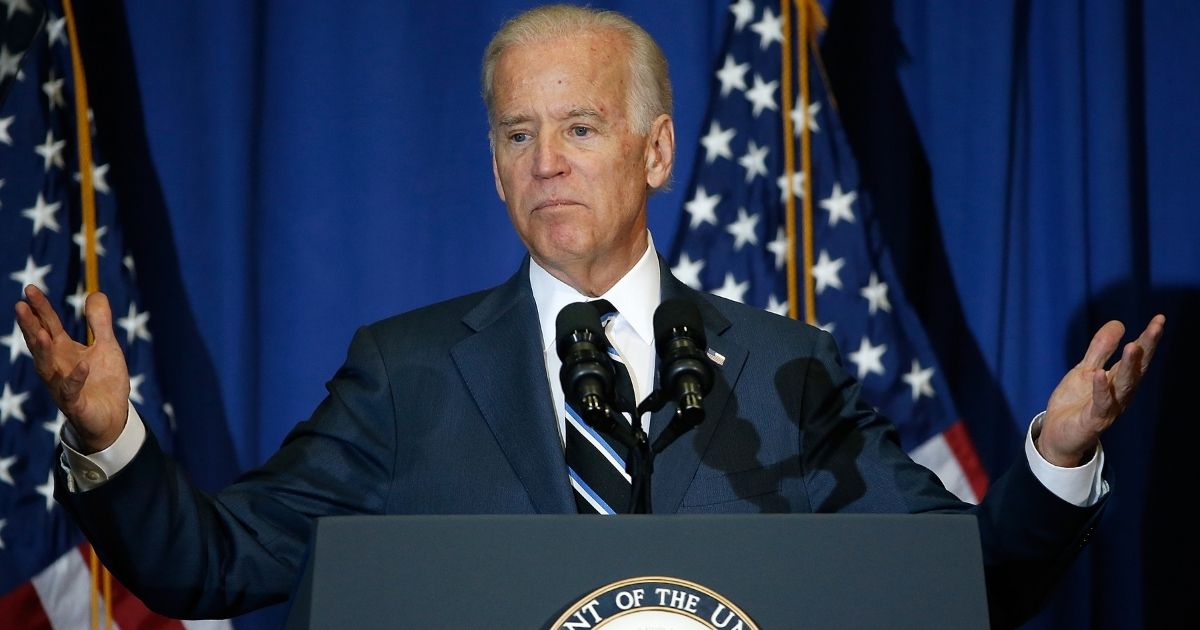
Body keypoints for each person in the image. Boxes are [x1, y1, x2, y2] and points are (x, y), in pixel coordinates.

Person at [14, 4, 1164, 628]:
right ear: (494, 166)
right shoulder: (406, 375)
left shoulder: (784, 369)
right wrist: (109, 438)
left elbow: (958, 583)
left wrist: (1058, 459)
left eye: (580, 128)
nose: (546, 161)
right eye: (519, 135)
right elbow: (209, 564)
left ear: (658, 150)